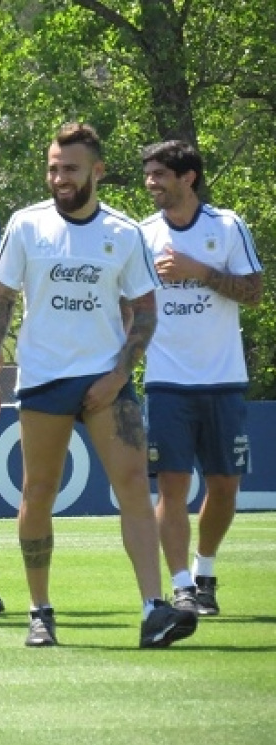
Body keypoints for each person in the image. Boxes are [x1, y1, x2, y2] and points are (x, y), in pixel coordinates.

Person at [0, 122, 198, 649]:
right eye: (53, 168)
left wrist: (119, 374)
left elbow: (145, 310)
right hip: (44, 377)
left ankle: (153, 609)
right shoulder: (26, 224)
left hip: (106, 381)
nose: (59, 178)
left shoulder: (124, 232)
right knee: (38, 492)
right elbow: (1, 301)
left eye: (70, 168)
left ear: (97, 171)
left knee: (133, 485)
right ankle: (39, 611)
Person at [139, 140, 263, 616]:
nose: (150, 182)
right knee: (172, 487)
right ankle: (182, 586)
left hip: (223, 379)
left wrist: (200, 272)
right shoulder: (142, 234)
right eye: (148, 174)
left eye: (159, 174)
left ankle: (204, 570)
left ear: (187, 177)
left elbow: (254, 292)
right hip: (166, 382)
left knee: (225, 485)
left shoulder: (227, 226)